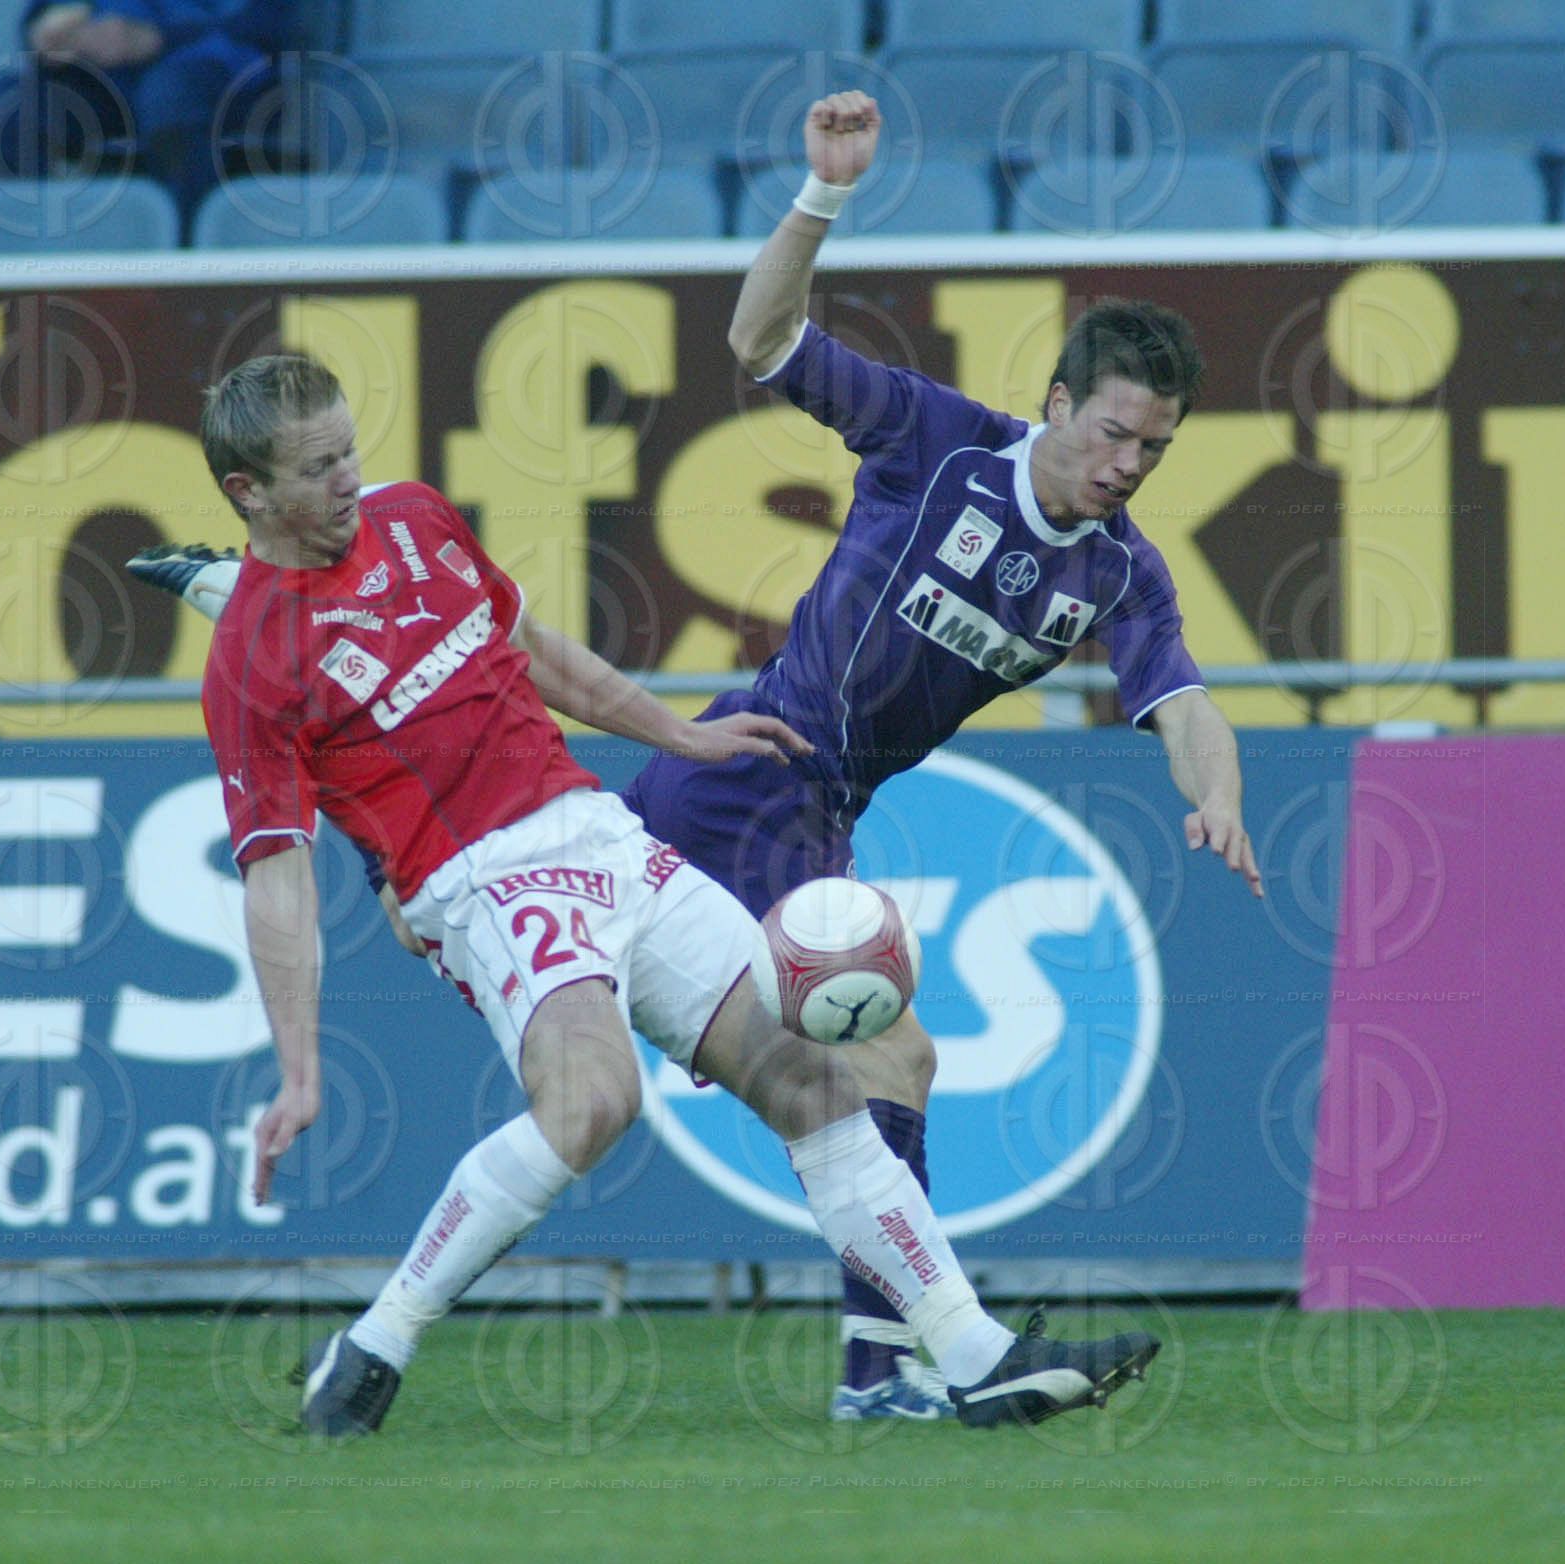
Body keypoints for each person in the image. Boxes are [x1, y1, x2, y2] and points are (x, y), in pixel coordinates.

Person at [133, 89, 1260, 1426]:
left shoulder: (1119, 577)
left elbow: (528, 653)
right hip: (628, 821)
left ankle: (946, 1360)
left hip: (693, 814)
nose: (1132, 464)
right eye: (1114, 432)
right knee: (729, 1086)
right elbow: (763, 337)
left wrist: (1221, 801)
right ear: (1057, 404)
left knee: (835, 1079)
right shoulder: (937, 438)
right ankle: (850, 1375)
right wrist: (823, 194)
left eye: (1157, 448)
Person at [182, 351, 1157, 1439]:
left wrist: (679, 733)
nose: (351, 480)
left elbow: (534, 653)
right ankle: (372, 1347)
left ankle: (975, 1357)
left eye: (350, 451)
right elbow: (274, 879)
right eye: (317, 469)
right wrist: (300, 1068)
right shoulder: (251, 661)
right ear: (248, 492)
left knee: (812, 1080)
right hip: (484, 879)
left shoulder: (412, 518)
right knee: (592, 1103)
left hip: (597, 831)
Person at [0, 1, 291, 221]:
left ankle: (186, 275)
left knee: (171, 98)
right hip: (98, 80)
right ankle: (31, 272)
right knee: (5, 108)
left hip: (212, 73)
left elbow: (265, 26)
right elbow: (45, 17)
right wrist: (51, 27)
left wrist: (159, 37)